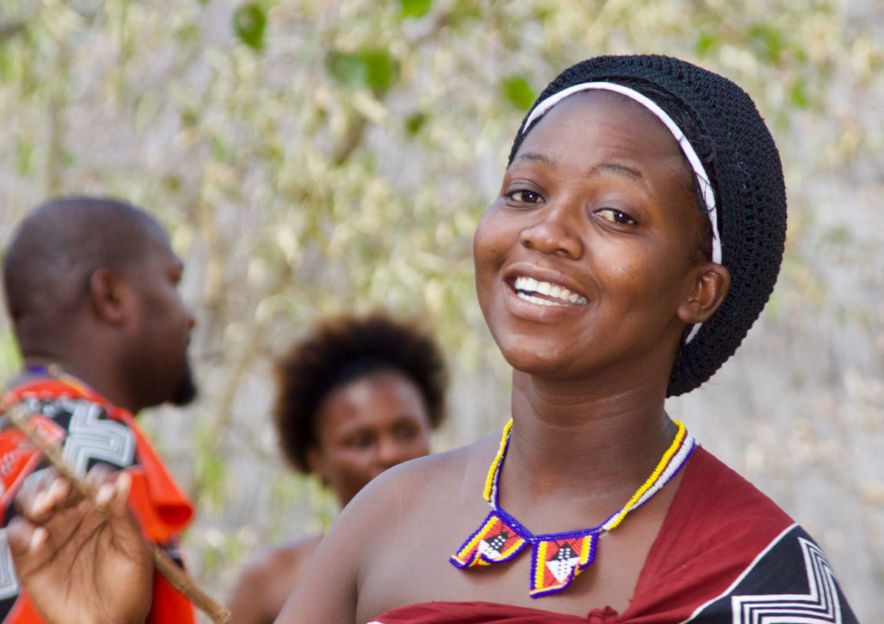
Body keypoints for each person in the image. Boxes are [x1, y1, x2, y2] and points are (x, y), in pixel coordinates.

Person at [7, 54, 859, 623]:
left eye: (614, 213)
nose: (547, 235)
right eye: (525, 194)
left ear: (697, 288)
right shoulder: (388, 518)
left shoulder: (761, 576)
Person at [0, 196, 198, 624]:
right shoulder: (94, 441)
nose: (190, 316)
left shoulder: (12, 426)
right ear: (111, 296)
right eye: (173, 283)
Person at [227, 313, 448, 624]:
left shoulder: (477, 560)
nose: (389, 453)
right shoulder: (272, 581)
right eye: (361, 441)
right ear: (316, 459)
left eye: (406, 432)